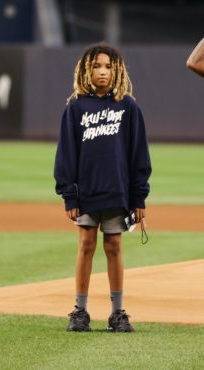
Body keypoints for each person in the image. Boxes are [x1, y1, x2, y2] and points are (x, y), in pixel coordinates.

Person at [54, 44, 152, 333]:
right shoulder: (75, 107)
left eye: (108, 66)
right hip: (86, 193)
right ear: (87, 70)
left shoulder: (128, 107)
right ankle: (80, 311)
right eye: (97, 66)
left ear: (117, 71)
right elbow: (66, 155)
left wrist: (139, 197)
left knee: (114, 246)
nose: (102, 72)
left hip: (117, 192)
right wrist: (69, 194)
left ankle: (117, 312)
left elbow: (139, 155)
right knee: (86, 245)